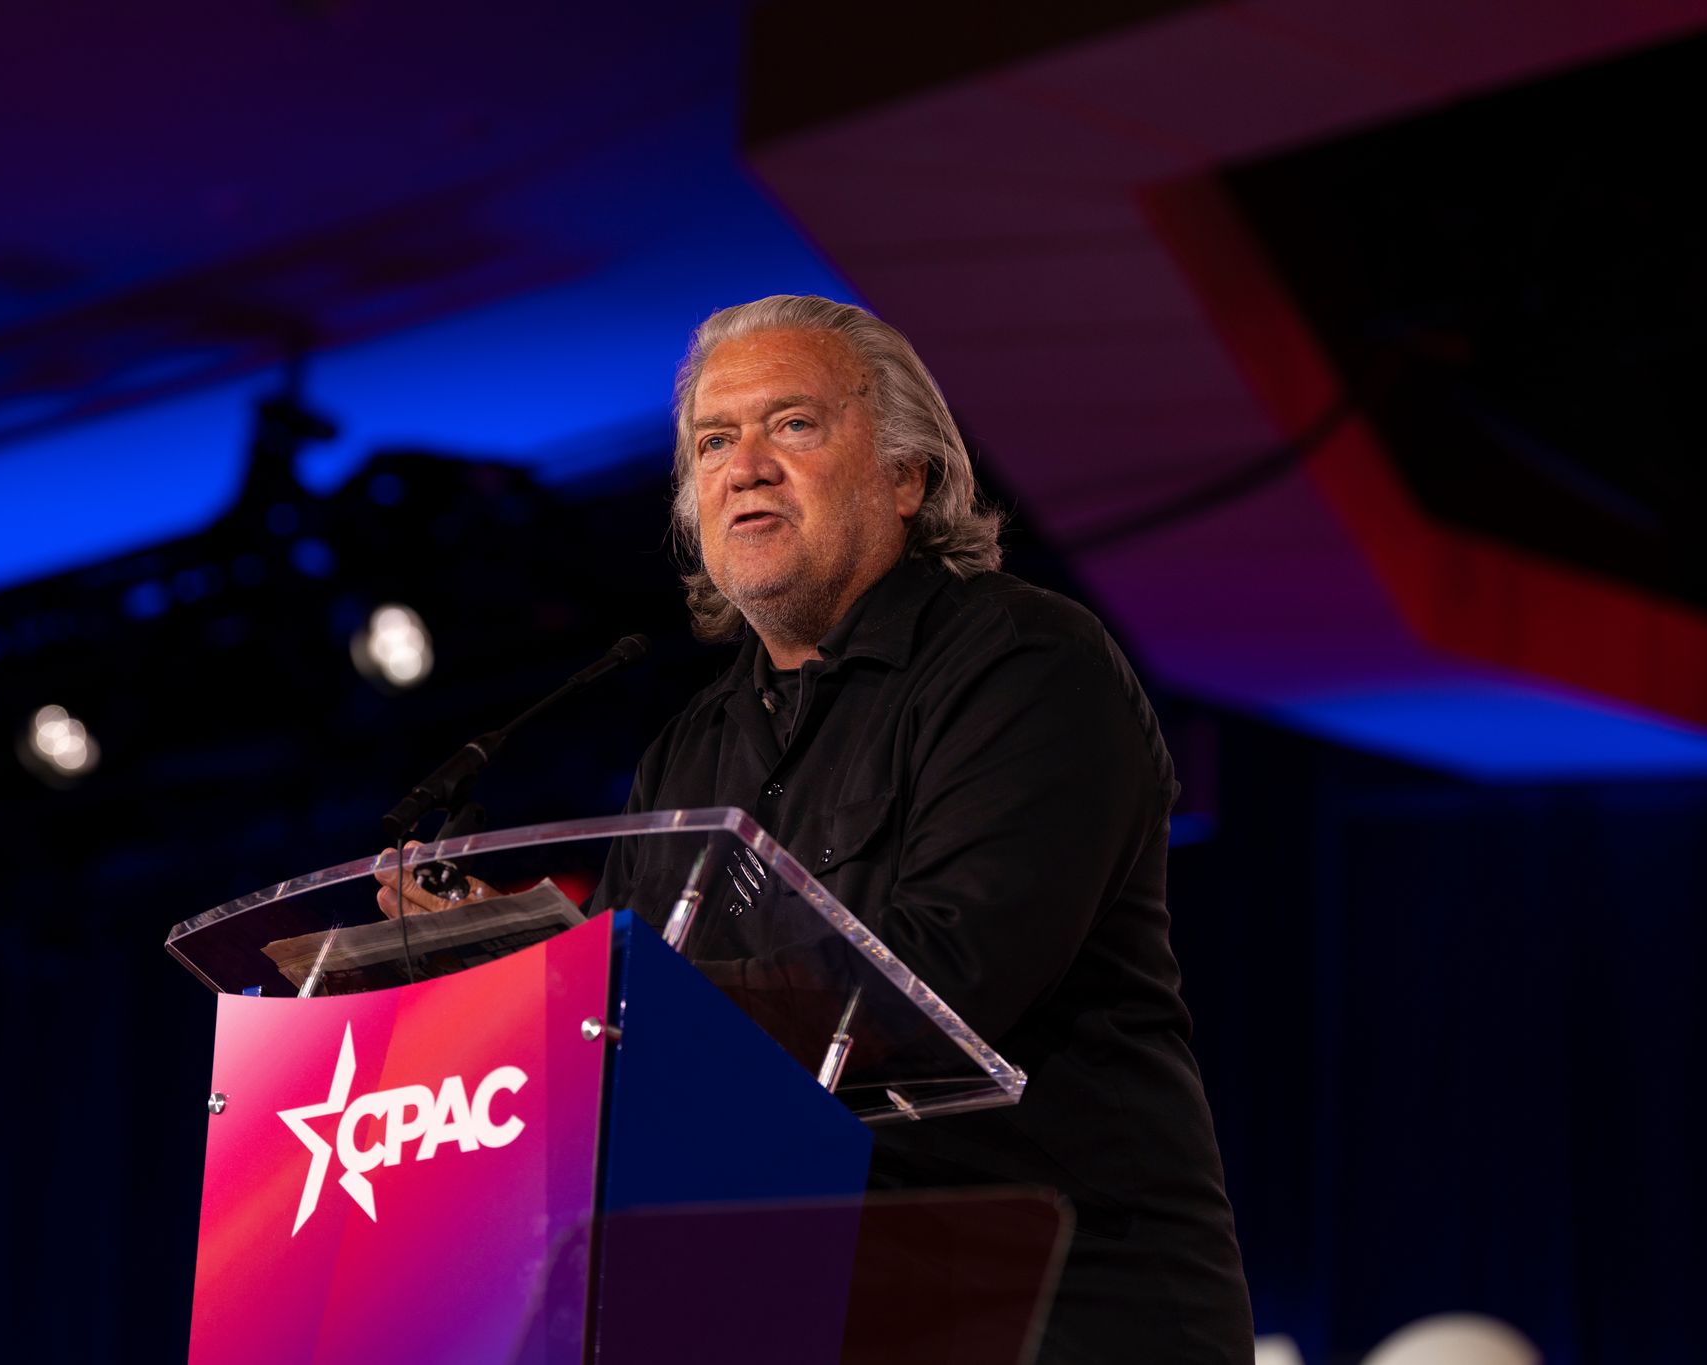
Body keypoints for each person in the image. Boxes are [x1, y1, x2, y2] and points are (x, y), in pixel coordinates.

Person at [379, 295, 1253, 1362]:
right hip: (800, 1316)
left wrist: (592, 987)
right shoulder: (689, 751)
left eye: (790, 423)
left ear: (906, 476)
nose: (742, 464)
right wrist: (512, 981)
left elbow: (943, 979)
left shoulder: (1023, 664)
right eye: (712, 440)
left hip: (1053, 1312)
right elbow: (612, 1069)